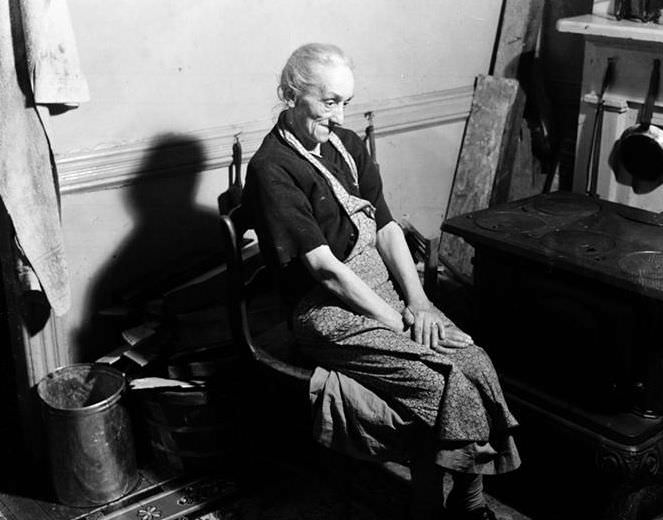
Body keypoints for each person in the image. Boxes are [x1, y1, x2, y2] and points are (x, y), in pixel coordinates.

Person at [242, 43, 520, 520]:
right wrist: (399, 322)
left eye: (345, 102)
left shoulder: (347, 145)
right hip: (324, 307)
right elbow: (326, 269)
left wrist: (421, 304)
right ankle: (435, 507)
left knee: (474, 359)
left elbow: (387, 228)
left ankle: (469, 503)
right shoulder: (271, 168)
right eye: (329, 102)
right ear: (291, 94)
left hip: (381, 287)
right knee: (440, 382)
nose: (339, 115)